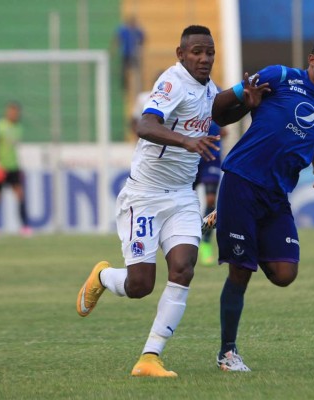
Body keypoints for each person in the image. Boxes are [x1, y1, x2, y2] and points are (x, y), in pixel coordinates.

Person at [75, 25, 267, 378]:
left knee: (184, 267)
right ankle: (103, 276)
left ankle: (150, 357)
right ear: (181, 54)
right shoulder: (172, 82)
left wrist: (246, 107)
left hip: (180, 195)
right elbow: (145, 126)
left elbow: (219, 117)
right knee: (140, 285)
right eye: (196, 51)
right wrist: (186, 141)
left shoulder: (209, 90)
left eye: (209, 51)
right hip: (144, 195)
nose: (204, 58)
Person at [211, 32, 314, 372]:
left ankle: (231, 223)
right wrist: (247, 102)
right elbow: (218, 111)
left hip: (275, 195)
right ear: (313, 59)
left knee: (286, 273)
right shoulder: (279, 77)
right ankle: (227, 353)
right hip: (242, 182)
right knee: (241, 272)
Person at [0, 101, 31, 236]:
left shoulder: (19, 128)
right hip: (1, 166)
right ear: (7, 112)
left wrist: (20, 167)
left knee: (20, 195)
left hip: (13, 166)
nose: (14, 114)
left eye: (16, 112)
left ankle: (25, 226)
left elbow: (15, 149)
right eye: (11, 111)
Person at [195, 120, 226, 266]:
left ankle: (205, 242)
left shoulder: (216, 97)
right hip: (190, 157)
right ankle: (185, 238)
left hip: (212, 158)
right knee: (181, 200)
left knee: (211, 201)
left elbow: (224, 128)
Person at [116, 16, 145, 91]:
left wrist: (140, 47)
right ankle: (125, 85)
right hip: (126, 53)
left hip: (135, 54)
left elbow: (143, 38)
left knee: (137, 70)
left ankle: (139, 85)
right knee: (124, 70)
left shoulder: (137, 31)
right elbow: (118, 39)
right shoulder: (124, 31)